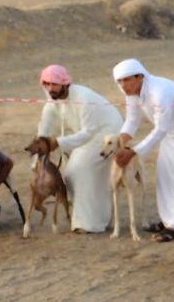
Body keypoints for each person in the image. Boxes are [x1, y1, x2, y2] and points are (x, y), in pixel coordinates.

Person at [113, 58, 174, 242]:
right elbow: (132, 121)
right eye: (119, 81)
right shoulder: (132, 93)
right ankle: (168, 220)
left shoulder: (159, 92)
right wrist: (119, 144)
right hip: (171, 130)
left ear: (139, 76)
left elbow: (160, 129)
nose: (123, 85)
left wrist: (133, 152)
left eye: (127, 80)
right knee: (165, 173)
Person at [35, 64, 123, 233]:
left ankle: (89, 224)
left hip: (105, 133)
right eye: (46, 84)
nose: (50, 88)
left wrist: (58, 142)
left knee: (78, 170)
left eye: (54, 84)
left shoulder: (82, 96)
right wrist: (40, 148)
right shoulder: (52, 101)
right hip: (83, 136)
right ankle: (96, 218)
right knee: (80, 174)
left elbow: (88, 132)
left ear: (65, 83)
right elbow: (44, 128)